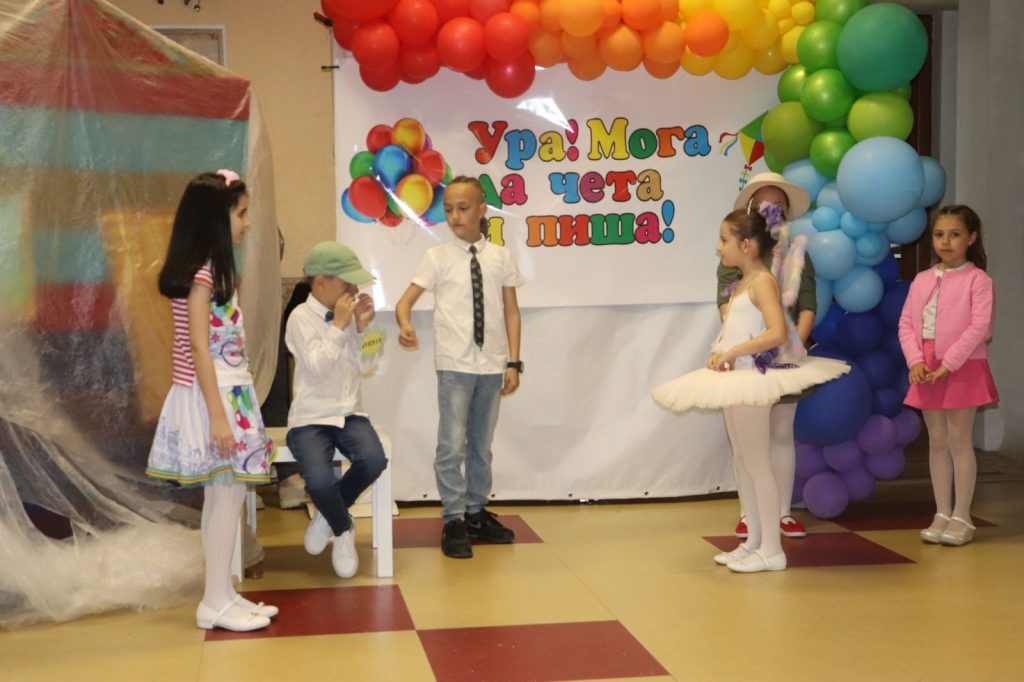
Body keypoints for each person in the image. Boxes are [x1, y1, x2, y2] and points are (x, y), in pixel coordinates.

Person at [653, 210, 849, 573]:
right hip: (736, 378)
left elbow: (777, 332)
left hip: (752, 381)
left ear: (745, 245)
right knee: (743, 462)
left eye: (724, 240)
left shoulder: (762, 282)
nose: (719, 248)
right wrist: (721, 351)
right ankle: (754, 541)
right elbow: (738, 329)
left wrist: (734, 352)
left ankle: (772, 550)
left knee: (758, 465)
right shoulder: (743, 283)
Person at [147, 170, 276, 631]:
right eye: (241, 214)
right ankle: (214, 600)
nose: (246, 223)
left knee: (229, 495)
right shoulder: (202, 276)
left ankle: (222, 593)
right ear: (215, 220)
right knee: (223, 494)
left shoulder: (215, 274)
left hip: (228, 392)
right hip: (212, 398)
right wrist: (219, 417)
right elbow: (199, 349)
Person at [394, 176, 524, 559]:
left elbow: (511, 312)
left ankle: (475, 511)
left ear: (482, 210)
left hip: (492, 364)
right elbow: (405, 301)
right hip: (454, 365)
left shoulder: (500, 256)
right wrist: (404, 323)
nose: (454, 216)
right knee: (451, 444)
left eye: (463, 208)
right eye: (448, 209)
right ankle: (453, 516)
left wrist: (513, 362)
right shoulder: (437, 257)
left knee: (481, 444)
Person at [718, 172, 815, 540]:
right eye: (763, 205)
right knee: (745, 443)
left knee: (780, 434)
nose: (770, 212)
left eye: (777, 206)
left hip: (785, 358)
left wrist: (789, 349)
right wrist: (740, 347)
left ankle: (782, 515)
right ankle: (750, 516)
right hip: (745, 363)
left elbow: (807, 305)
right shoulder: (737, 257)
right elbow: (727, 305)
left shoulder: (797, 253)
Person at [285, 242, 388, 578]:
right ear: (320, 282)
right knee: (317, 481)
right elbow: (318, 366)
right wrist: (338, 326)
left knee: (374, 459)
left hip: (350, 412)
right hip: (310, 417)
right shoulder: (300, 317)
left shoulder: (348, 319)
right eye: (347, 283)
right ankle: (343, 528)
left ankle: (329, 515)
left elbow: (367, 366)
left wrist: (363, 327)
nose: (354, 290)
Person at [898, 205, 997, 547]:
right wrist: (915, 360)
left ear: (971, 238)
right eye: (940, 234)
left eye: (955, 234)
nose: (945, 241)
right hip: (926, 367)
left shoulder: (978, 280)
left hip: (963, 365)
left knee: (958, 440)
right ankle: (942, 511)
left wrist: (949, 363)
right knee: (937, 440)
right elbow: (906, 324)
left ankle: (962, 516)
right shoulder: (922, 279)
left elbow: (980, 328)